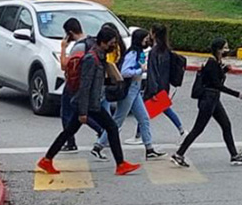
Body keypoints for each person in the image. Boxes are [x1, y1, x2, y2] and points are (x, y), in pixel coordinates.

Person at [38, 26, 141, 176]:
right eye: (112, 43)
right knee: (111, 127)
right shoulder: (91, 59)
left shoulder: (99, 57)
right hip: (89, 104)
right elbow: (85, 87)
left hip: (89, 103)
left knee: (68, 132)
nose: (113, 46)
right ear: (103, 42)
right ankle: (120, 164)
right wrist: (83, 112)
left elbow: (94, 83)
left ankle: (47, 160)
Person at [172, 38, 242, 168]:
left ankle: (234, 155)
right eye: (225, 48)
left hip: (214, 100)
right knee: (198, 129)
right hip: (208, 100)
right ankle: (179, 154)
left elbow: (213, 78)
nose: (227, 50)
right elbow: (216, 84)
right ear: (218, 50)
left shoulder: (216, 63)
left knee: (226, 125)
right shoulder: (212, 63)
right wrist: (236, 94)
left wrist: (224, 70)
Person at [93, 29, 161, 160]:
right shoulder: (133, 53)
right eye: (145, 39)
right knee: (117, 120)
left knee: (144, 118)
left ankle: (149, 149)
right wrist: (140, 70)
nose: (147, 41)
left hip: (135, 88)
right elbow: (124, 72)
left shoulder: (139, 52)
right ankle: (98, 146)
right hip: (129, 88)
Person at [132, 24, 186, 143]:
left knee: (143, 111)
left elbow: (153, 72)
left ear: (154, 34)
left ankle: (138, 136)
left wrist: (152, 90)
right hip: (164, 85)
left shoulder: (154, 52)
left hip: (154, 87)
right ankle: (181, 130)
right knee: (163, 108)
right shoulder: (166, 50)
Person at [58, 18, 100, 153]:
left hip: (73, 83)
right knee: (81, 111)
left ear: (70, 33)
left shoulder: (78, 47)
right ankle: (100, 130)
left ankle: (71, 142)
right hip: (87, 82)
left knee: (67, 113)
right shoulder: (90, 42)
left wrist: (63, 48)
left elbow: (65, 66)